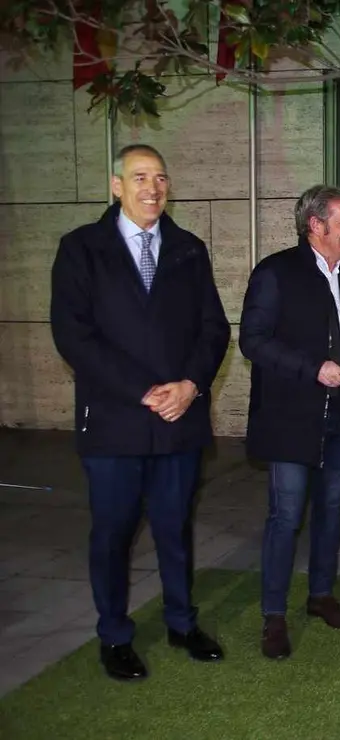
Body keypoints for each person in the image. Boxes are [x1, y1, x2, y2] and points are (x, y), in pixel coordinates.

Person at [50, 144, 230, 681]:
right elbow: (73, 335)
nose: (152, 188)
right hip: (115, 422)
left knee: (175, 528)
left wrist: (191, 386)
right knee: (113, 534)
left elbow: (213, 329)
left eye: (159, 178)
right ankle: (114, 635)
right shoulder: (82, 249)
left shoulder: (189, 249)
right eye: (139, 177)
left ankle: (181, 622)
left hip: (181, 420)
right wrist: (145, 390)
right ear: (116, 186)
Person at [239, 185, 340, 660]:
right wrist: (313, 367)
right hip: (292, 418)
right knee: (286, 516)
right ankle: (274, 615)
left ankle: (321, 595)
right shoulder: (276, 272)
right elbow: (253, 341)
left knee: (331, 509)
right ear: (316, 226)